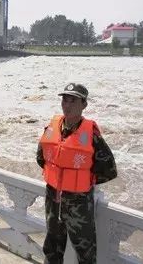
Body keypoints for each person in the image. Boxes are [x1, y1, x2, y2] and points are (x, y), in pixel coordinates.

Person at [37, 83, 117, 264]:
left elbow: (109, 168)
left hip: (78, 204)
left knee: (85, 253)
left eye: (73, 100)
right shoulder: (52, 128)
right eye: (65, 99)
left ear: (84, 105)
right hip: (54, 199)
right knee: (52, 247)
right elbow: (41, 157)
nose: (67, 104)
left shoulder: (91, 135)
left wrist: (83, 179)